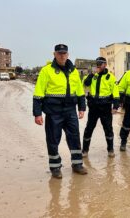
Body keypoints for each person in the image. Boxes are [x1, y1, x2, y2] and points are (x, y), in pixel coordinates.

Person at [33, 44, 87, 179]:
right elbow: (38, 93)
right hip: (53, 111)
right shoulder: (46, 71)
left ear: (68, 54)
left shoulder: (73, 71)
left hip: (70, 110)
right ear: (54, 54)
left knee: (74, 137)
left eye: (64, 53)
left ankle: (77, 164)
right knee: (53, 140)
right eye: (59, 53)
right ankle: (55, 167)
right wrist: (37, 113)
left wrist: (82, 108)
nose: (62, 55)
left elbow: (80, 91)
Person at [82, 57, 120, 158]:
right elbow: (85, 84)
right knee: (89, 128)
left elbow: (115, 92)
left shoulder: (110, 77)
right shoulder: (91, 76)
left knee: (108, 129)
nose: (98, 65)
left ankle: (110, 150)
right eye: (97, 63)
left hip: (106, 107)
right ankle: (85, 150)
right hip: (93, 106)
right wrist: (92, 74)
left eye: (101, 63)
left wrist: (115, 106)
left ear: (105, 64)